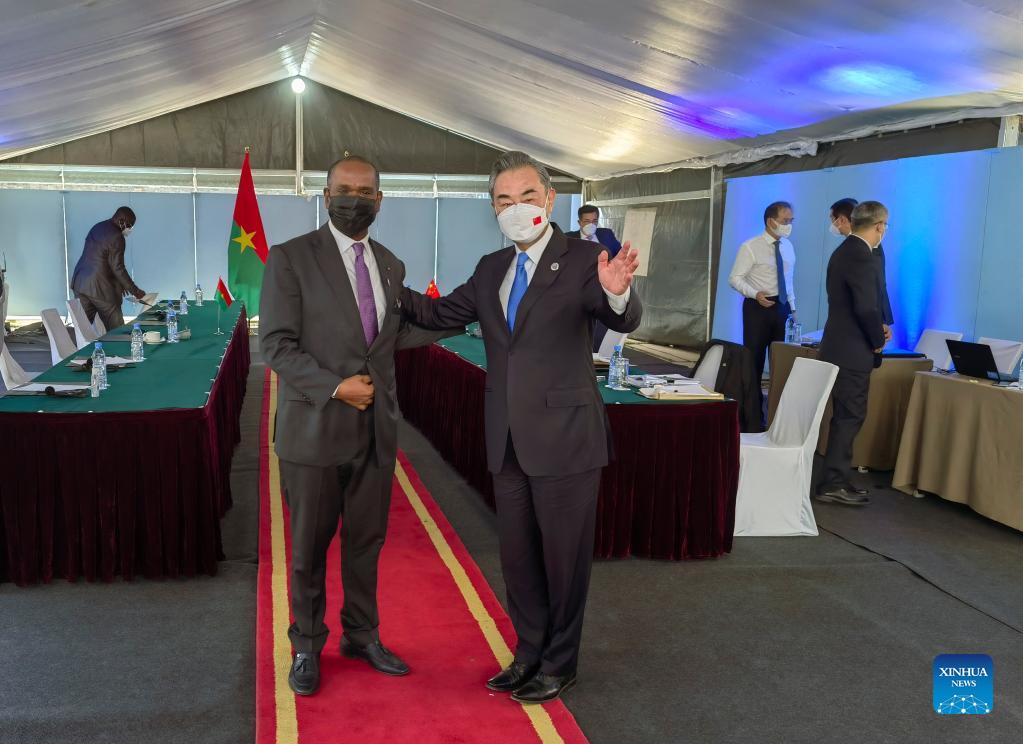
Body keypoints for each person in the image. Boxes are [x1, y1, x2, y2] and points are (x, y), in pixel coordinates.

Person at [399, 150, 642, 704]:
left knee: (563, 560)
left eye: (527, 195)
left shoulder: (586, 258)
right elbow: (439, 314)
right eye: (504, 200)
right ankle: (528, 653)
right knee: (518, 559)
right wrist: (380, 281)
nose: (516, 208)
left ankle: (560, 662)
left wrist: (617, 290)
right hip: (507, 439)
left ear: (550, 199)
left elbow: (622, 316)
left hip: (566, 438)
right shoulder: (492, 268)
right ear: (493, 208)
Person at [259, 155, 458, 696]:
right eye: (344, 190)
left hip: (374, 433)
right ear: (326, 197)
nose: (354, 199)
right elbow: (275, 343)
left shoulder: (390, 264)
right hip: (314, 431)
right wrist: (335, 386)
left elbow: (393, 334)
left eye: (365, 191)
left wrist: (473, 314)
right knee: (308, 549)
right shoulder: (291, 258)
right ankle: (306, 644)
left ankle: (361, 635)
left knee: (366, 543)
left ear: (379, 200)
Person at [816, 201, 890, 506]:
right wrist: (877, 338)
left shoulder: (845, 251)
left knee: (845, 417)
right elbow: (865, 307)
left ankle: (837, 479)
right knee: (849, 417)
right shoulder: (861, 254)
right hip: (852, 350)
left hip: (838, 346)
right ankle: (833, 483)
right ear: (879, 226)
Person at [728, 201, 797, 415]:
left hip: (782, 307)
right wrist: (754, 294)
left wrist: (793, 308)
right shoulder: (750, 246)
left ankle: (776, 410)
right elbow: (734, 278)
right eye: (785, 220)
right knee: (754, 360)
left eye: (791, 221)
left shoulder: (788, 246)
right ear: (770, 221)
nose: (789, 225)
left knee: (781, 360)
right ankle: (752, 412)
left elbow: (788, 280)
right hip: (757, 307)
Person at [70, 207, 146, 331]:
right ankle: (118, 345)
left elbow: (100, 259)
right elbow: (118, 267)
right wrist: (135, 290)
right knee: (116, 329)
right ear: (122, 222)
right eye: (129, 226)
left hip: (81, 283)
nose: (130, 229)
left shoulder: (97, 227)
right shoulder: (117, 237)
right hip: (99, 288)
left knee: (84, 331)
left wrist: (120, 284)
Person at [830, 198, 894, 345]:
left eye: (832, 219)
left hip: (864, 325)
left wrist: (879, 327)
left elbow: (876, 285)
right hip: (854, 328)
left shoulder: (868, 247)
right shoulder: (853, 248)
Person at [566, 204, 626, 352]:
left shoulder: (606, 235)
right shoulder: (568, 238)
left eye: (594, 221)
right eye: (587, 221)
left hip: (603, 289)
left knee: (601, 326)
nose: (591, 225)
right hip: (578, 289)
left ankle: (598, 353)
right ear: (579, 222)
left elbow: (619, 256)